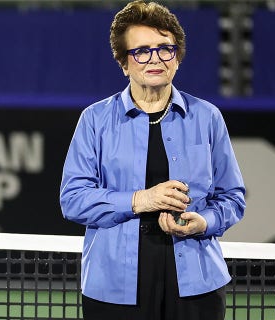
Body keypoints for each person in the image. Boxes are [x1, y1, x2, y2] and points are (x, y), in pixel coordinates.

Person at [59, 1, 246, 319]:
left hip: (197, 284)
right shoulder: (95, 119)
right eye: (142, 51)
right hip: (114, 286)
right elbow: (73, 200)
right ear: (124, 63)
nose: (155, 58)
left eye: (165, 49)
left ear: (177, 58)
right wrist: (140, 199)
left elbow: (232, 198)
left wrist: (206, 222)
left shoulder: (207, 117)